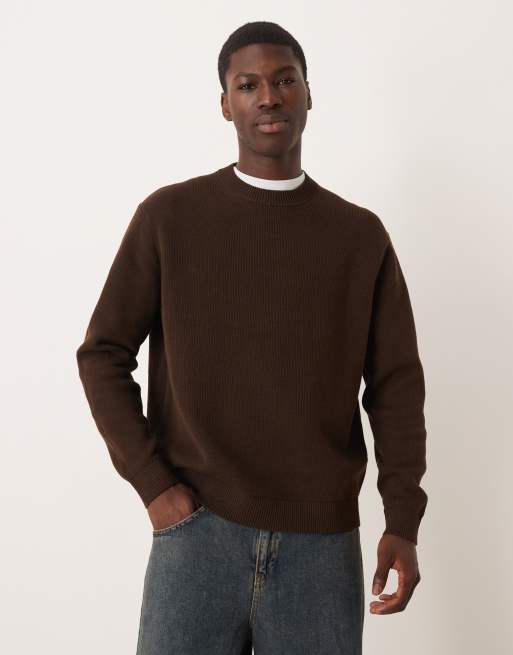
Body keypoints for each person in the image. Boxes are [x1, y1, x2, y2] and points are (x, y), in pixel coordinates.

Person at [76, 20, 427, 655]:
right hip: (196, 537)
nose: (268, 97)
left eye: (284, 80)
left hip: (321, 549)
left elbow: (396, 387)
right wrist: (155, 485)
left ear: (308, 94)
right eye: (248, 84)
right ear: (225, 104)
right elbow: (103, 354)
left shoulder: (358, 236)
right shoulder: (169, 218)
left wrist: (402, 519)